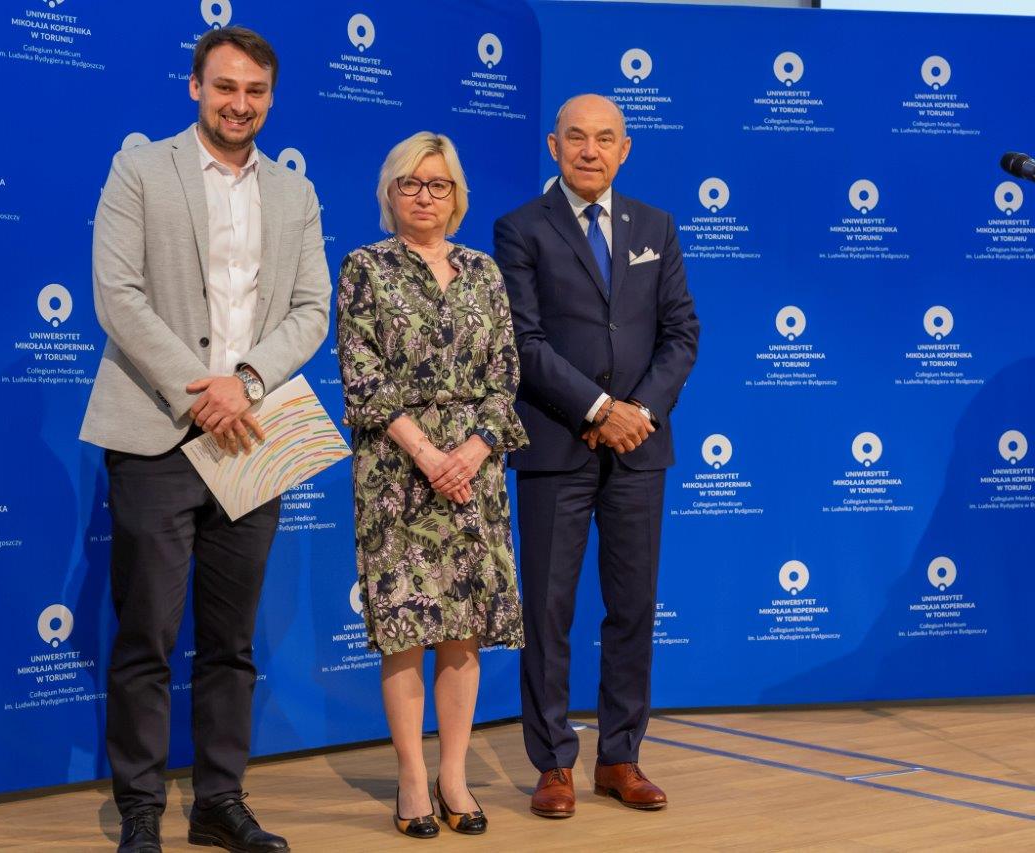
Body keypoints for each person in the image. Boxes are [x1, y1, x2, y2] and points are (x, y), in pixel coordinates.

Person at [79, 26, 330, 853]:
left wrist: (244, 382)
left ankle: (219, 800)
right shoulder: (140, 169)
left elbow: (311, 310)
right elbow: (117, 294)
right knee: (147, 634)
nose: (239, 104)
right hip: (156, 433)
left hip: (252, 434)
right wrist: (201, 391)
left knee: (231, 640)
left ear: (271, 97)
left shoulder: (295, 193)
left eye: (255, 91)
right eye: (225, 87)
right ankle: (141, 808)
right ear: (195, 87)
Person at [493, 94, 699, 819]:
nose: (590, 150)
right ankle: (553, 762)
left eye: (605, 138)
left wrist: (637, 413)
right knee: (548, 612)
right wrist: (597, 410)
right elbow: (522, 342)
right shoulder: (520, 228)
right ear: (553, 146)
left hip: (639, 449)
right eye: (576, 137)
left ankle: (620, 757)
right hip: (558, 446)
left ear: (625, 149)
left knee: (633, 608)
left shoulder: (656, 225)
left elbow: (681, 333)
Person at [336, 132, 528, 838]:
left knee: (463, 631)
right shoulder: (364, 267)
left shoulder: (484, 271)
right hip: (397, 471)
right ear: (391, 193)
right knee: (405, 629)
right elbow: (361, 372)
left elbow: (506, 372)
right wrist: (426, 454)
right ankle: (412, 777)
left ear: (457, 195)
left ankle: (454, 774)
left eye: (438, 184)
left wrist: (471, 451)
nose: (425, 196)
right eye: (411, 183)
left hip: (474, 473)